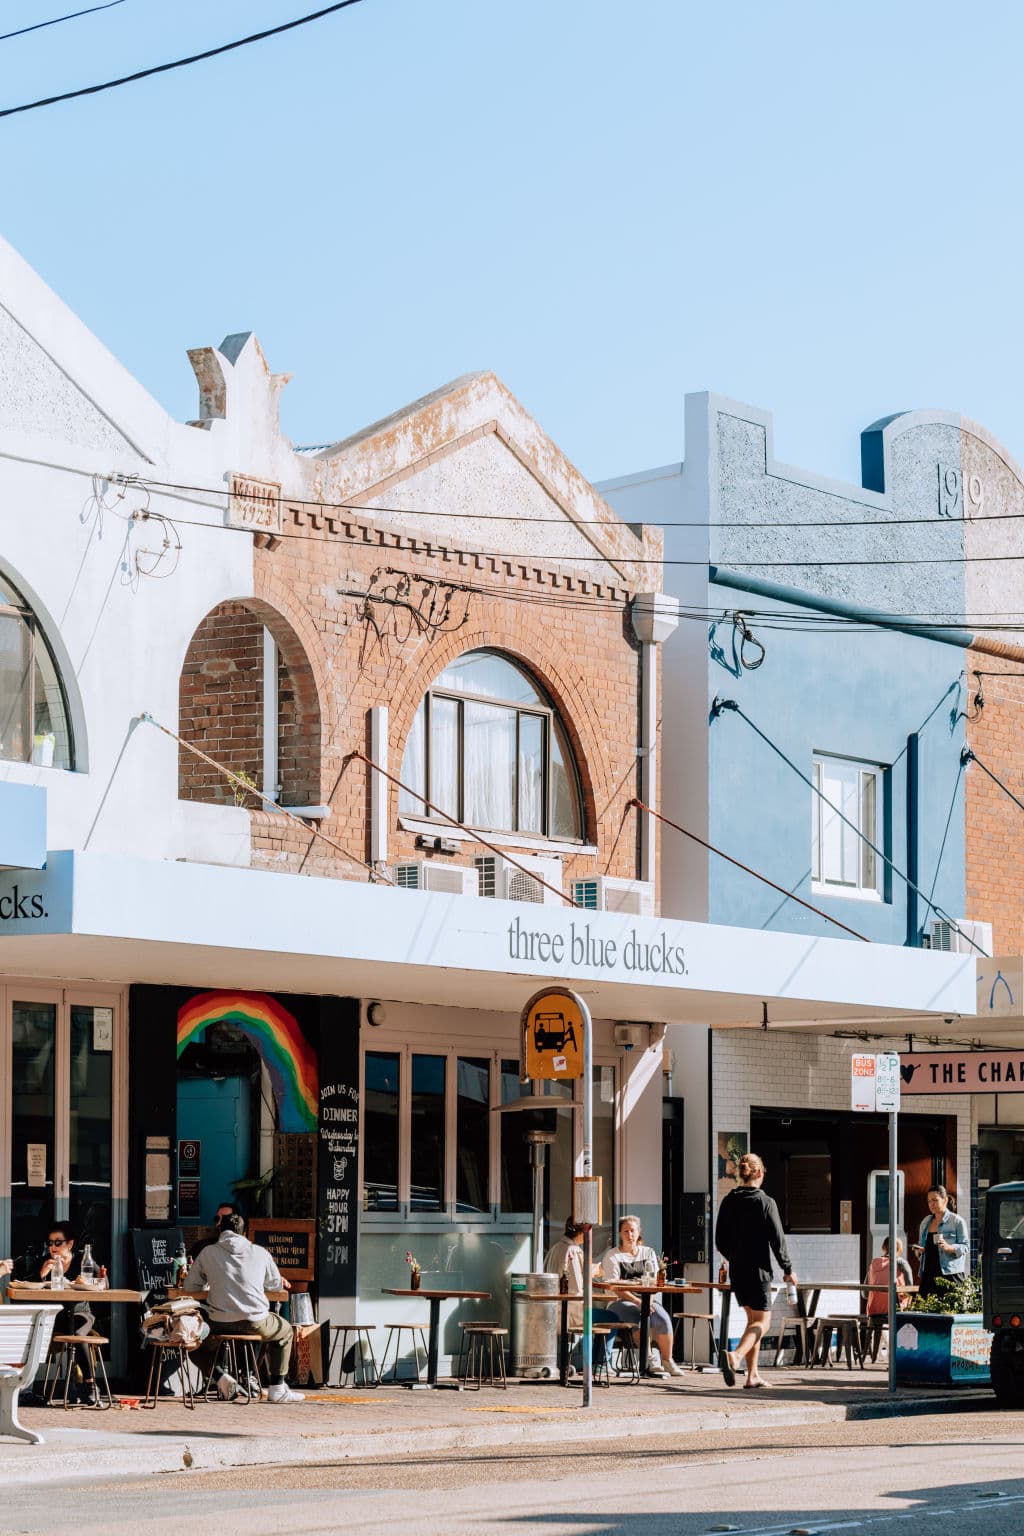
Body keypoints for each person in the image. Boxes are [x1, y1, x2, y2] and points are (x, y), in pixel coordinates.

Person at [184, 1213, 303, 1403]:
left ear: (220, 1230)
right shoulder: (260, 1252)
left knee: (191, 1340)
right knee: (286, 1331)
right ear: (244, 1232)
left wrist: (212, 1283)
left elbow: (190, 1287)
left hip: (220, 1322)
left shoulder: (208, 1252)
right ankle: (277, 1388)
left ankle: (220, 1377)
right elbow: (274, 1285)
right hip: (255, 1321)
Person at [714, 1151, 796, 1390]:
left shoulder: (729, 1200)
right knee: (764, 1322)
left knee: (752, 1320)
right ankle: (736, 1356)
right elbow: (777, 1240)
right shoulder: (765, 1202)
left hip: (737, 1270)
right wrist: (788, 1268)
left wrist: (735, 1257)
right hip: (758, 1270)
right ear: (759, 1173)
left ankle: (752, 1376)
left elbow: (720, 1240)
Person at [600, 1214, 684, 1378]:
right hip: (620, 1302)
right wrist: (639, 1302)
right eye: (626, 1231)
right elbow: (615, 1287)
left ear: (639, 1232)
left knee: (663, 1318)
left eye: (632, 1231)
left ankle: (667, 1361)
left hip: (646, 1299)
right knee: (638, 1317)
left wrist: (649, 1301)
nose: (629, 1235)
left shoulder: (648, 1252)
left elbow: (653, 1282)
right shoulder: (613, 1255)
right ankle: (649, 1360)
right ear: (620, 1234)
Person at [544, 1219, 619, 1374]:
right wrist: (593, 1272)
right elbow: (578, 1286)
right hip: (571, 1312)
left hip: (551, 1310)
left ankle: (596, 1363)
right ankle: (600, 1364)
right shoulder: (573, 1251)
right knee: (611, 1317)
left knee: (605, 1316)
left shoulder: (556, 1248)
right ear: (582, 1232)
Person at [38, 1225, 101, 1405]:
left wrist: (86, 1282)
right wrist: (42, 1273)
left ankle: (91, 1386)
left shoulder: (83, 1260)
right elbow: (29, 1282)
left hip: (81, 1313)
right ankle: (26, 1387)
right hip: (55, 1316)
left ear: (70, 1244)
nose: (53, 1247)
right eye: (50, 1243)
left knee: (77, 1334)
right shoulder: (46, 1261)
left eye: (58, 1242)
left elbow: (103, 1282)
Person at [861, 1236, 913, 1361]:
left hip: (874, 1312)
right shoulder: (901, 1263)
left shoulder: (873, 1263)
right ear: (900, 1249)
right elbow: (910, 1288)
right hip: (895, 1311)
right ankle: (902, 1355)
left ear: (883, 1248)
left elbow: (864, 1294)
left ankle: (869, 1358)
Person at [912, 1184, 968, 1297]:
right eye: (928, 1201)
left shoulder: (957, 1221)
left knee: (949, 1311)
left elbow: (965, 1247)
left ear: (945, 1200)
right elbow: (922, 1247)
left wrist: (949, 1247)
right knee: (925, 1311)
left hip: (950, 1274)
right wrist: (919, 1251)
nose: (931, 1204)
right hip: (928, 1275)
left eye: (935, 1200)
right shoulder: (926, 1222)